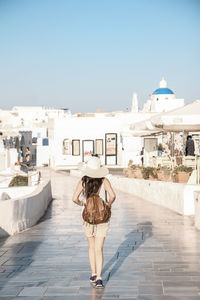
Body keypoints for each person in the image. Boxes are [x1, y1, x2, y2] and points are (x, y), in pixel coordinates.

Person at [72, 156, 116, 288]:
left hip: (88, 218)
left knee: (91, 247)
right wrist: (107, 205)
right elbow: (113, 196)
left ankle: (93, 273)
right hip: (102, 218)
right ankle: (99, 278)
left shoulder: (83, 181)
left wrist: (83, 203)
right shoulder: (104, 181)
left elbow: (74, 198)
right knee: (99, 248)